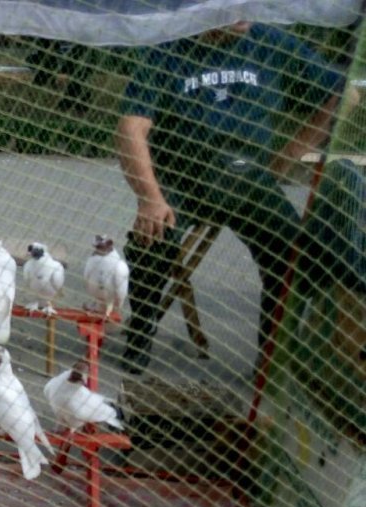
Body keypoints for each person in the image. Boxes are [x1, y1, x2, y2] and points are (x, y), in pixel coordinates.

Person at [116, 21, 350, 374]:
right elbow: (130, 127)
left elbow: (344, 94)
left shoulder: (270, 42)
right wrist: (150, 199)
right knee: (152, 237)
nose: (242, 14)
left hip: (250, 177)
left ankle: (272, 356)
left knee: (295, 255)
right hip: (184, 177)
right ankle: (141, 329)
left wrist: (293, 151)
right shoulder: (169, 47)